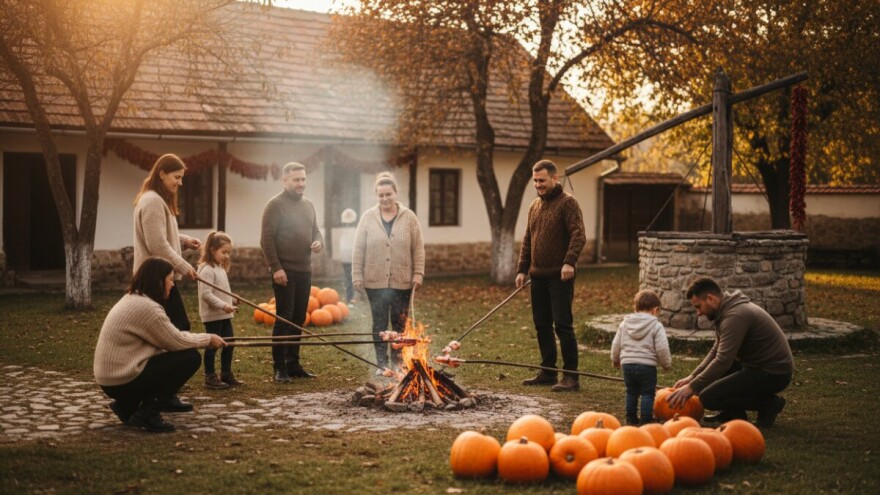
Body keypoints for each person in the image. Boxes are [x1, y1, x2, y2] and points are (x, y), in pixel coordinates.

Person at [94, 257, 226, 433]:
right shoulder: (148, 308)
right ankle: (148, 413)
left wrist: (205, 337)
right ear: (158, 281)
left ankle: (126, 405)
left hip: (111, 378)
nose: (172, 285)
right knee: (190, 358)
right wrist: (208, 339)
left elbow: (169, 337)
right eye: (170, 279)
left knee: (177, 355)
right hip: (121, 378)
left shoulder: (134, 298)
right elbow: (176, 341)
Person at [666, 277, 794, 428]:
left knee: (708, 398)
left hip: (773, 373)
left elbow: (723, 361)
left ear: (710, 298)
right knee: (714, 378)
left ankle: (769, 404)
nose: (698, 313)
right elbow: (717, 350)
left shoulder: (735, 316)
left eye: (698, 306)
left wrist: (692, 387)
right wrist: (692, 377)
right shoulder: (726, 310)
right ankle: (733, 414)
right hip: (755, 367)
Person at [133, 153, 201, 412]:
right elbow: (157, 244)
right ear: (161, 173)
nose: (180, 183)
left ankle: (164, 392)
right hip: (154, 281)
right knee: (177, 330)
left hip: (160, 277)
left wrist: (184, 241)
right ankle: (163, 394)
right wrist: (184, 266)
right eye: (177, 177)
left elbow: (163, 234)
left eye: (182, 178)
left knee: (175, 330)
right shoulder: (151, 201)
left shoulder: (157, 199)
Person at [515, 159, 586, 392]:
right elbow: (528, 239)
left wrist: (569, 262)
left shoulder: (568, 203)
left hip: (560, 276)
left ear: (555, 179)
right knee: (541, 325)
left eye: (542, 180)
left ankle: (571, 376)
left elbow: (578, 234)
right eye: (535, 181)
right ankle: (548, 371)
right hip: (537, 277)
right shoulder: (534, 206)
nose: (538, 185)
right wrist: (522, 269)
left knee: (563, 325)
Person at [352, 172, 425, 373]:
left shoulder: (409, 217)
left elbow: (418, 248)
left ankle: (398, 362)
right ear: (377, 196)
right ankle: (381, 363)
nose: (385, 198)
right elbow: (358, 248)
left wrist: (418, 273)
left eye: (388, 194)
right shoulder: (368, 217)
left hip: (402, 281)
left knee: (400, 324)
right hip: (374, 281)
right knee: (380, 323)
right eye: (381, 195)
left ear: (395, 193)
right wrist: (357, 275)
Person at [260, 162, 323, 383]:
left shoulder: (309, 205)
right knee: (283, 318)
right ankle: (279, 368)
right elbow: (266, 240)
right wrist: (276, 267)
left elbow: (316, 231)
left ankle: (293, 364)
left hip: (305, 271)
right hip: (284, 272)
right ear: (285, 180)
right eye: (296, 180)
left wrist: (318, 242)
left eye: (303, 179)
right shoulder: (274, 205)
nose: (301, 183)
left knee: (298, 318)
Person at [611, 289, 672, 425]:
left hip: (627, 365)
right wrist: (666, 364)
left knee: (631, 392)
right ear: (655, 309)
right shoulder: (656, 325)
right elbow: (662, 347)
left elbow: (616, 344)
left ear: (636, 308)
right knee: (647, 393)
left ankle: (631, 419)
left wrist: (615, 360)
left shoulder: (625, 323)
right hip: (647, 366)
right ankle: (645, 419)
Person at [197, 231, 244, 390]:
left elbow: (221, 292)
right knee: (213, 345)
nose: (227, 256)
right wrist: (224, 305)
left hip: (224, 313)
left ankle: (226, 374)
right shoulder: (206, 270)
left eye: (228, 253)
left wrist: (231, 299)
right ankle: (209, 377)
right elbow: (206, 295)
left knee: (229, 343)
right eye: (223, 252)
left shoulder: (219, 268)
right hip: (213, 315)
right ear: (212, 250)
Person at [335, 208, 358, 304]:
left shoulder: (356, 230)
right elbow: (342, 245)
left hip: (354, 257)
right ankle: (350, 297)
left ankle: (355, 296)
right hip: (345, 258)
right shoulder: (342, 231)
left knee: (353, 277)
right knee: (348, 277)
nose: (347, 224)